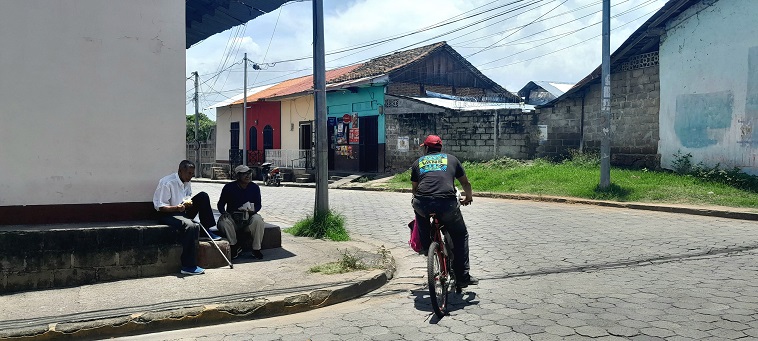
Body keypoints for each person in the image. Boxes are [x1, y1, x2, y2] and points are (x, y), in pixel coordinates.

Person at [411, 135, 478, 287]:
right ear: (440, 148)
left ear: (426, 148)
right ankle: (462, 276)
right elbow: (466, 183)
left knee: (418, 211)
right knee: (461, 235)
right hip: (446, 204)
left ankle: (427, 246)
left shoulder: (418, 163)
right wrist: (468, 198)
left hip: (423, 203)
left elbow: (414, 189)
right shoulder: (452, 159)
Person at [153, 160, 221, 275]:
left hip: (182, 210)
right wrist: (176, 208)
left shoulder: (186, 180)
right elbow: (160, 207)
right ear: (180, 171)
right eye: (189, 173)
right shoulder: (167, 182)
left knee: (203, 196)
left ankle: (206, 231)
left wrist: (187, 203)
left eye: (192, 174)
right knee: (190, 226)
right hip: (168, 214)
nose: (191, 176)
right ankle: (188, 265)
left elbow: (188, 195)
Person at [217, 165, 266, 260]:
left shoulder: (254, 187)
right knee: (223, 222)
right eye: (244, 174)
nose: (247, 176)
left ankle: (256, 249)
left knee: (258, 219)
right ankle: (234, 246)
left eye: (249, 173)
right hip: (233, 219)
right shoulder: (229, 187)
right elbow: (221, 204)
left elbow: (258, 205)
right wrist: (223, 212)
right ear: (237, 176)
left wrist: (253, 211)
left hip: (248, 218)